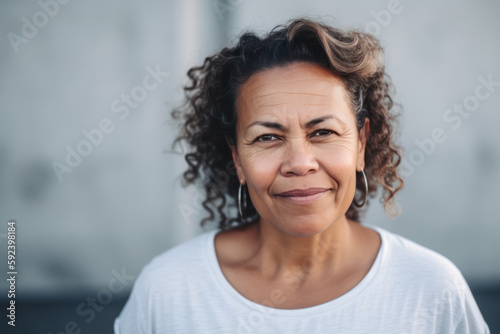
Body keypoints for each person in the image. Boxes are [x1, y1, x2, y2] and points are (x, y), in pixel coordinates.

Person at [114, 18, 489, 333]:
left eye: (322, 132)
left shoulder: (432, 289)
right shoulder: (168, 291)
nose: (300, 162)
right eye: (267, 137)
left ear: (360, 143)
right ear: (237, 159)